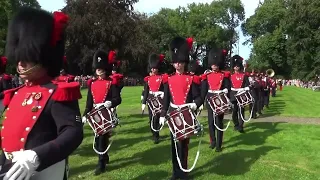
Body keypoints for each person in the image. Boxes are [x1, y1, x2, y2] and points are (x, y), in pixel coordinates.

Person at [0, 8, 83, 180]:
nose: (21, 63)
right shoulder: (16, 93)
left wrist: (36, 156)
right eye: (19, 56)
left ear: (43, 58)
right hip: (11, 169)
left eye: (27, 57)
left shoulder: (58, 92)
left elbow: (72, 133)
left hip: (43, 170)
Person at [159, 37, 202, 180]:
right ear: (173, 63)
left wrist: (194, 104)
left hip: (186, 113)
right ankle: (175, 171)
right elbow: (166, 99)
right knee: (173, 145)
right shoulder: (168, 79)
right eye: (176, 62)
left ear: (184, 62)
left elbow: (198, 96)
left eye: (180, 62)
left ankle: (183, 171)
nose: (178, 65)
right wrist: (162, 114)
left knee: (183, 145)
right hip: (173, 115)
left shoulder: (192, 78)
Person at [82, 49, 122, 175]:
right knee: (99, 137)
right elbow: (89, 102)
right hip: (95, 113)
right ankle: (104, 157)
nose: (98, 69)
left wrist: (111, 102)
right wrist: (85, 115)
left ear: (105, 68)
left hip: (106, 112)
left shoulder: (111, 82)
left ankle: (101, 163)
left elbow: (117, 99)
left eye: (101, 67)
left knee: (102, 137)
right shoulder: (92, 83)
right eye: (97, 67)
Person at [201, 48, 230, 151]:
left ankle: (219, 144)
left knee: (219, 122)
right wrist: (201, 102)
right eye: (213, 63)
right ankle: (212, 141)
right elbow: (204, 91)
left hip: (220, 100)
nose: (214, 65)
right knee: (210, 122)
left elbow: (227, 87)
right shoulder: (207, 76)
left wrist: (226, 90)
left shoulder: (224, 75)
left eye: (216, 63)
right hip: (210, 100)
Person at [141, 53, 166, 144]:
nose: (153, 69)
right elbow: (146, 91)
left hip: (159, 99)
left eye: (154, 68)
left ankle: (156, 134)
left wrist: (162, 93)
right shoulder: (148, 79)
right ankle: (154, 133)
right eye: (152, 68)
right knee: (152, 117)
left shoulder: (162, 77)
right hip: (151, 99)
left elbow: (164, 89)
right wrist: (143, 103)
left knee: (157, 117)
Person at [229, 55, 250, 133]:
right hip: (233, 95)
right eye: (235, 66)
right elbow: (229, 86)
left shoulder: (244, 76)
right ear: (233, 67)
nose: (236, 67)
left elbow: (247, 84)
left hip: (241, 94)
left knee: (241, 111)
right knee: (234, 111)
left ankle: (241, 126)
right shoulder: (231, 76)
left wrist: (246, 88)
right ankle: (236, 124)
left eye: (238, 66)